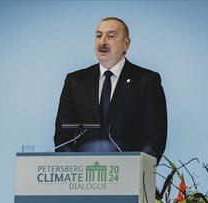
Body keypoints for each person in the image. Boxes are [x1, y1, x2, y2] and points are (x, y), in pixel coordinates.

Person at [54, 17, 167, 163]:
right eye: (98, 36)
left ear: (126, 44)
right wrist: (71, 167)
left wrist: (137, 169)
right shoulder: (75, 81)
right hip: (81, 177)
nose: (102, 42)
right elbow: (63, 134)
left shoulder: (147, 81)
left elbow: (155, 138)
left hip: (129, 176)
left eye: (111, 36)